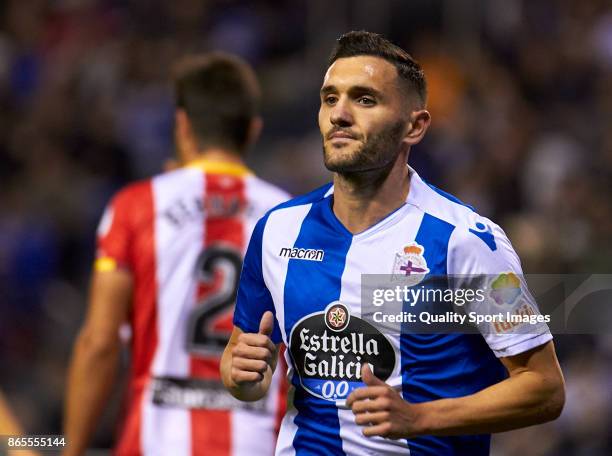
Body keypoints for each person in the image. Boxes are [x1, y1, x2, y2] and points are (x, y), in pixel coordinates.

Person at [220, 31, 565, 455]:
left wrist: (420, 419)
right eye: (330, 99)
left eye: (365, 100)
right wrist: (241, 375)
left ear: (415, 126)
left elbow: (544, 389)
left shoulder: (467, 241)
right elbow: (241, 362)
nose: (339, 115)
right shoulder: (276, 230)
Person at [64, 53, 289, 456]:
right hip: (259, 443)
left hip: (156, 441)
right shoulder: (290, 217)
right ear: (253, 132)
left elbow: (99, 344)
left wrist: (71, 450)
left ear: (183, 126)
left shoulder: (137, 206)